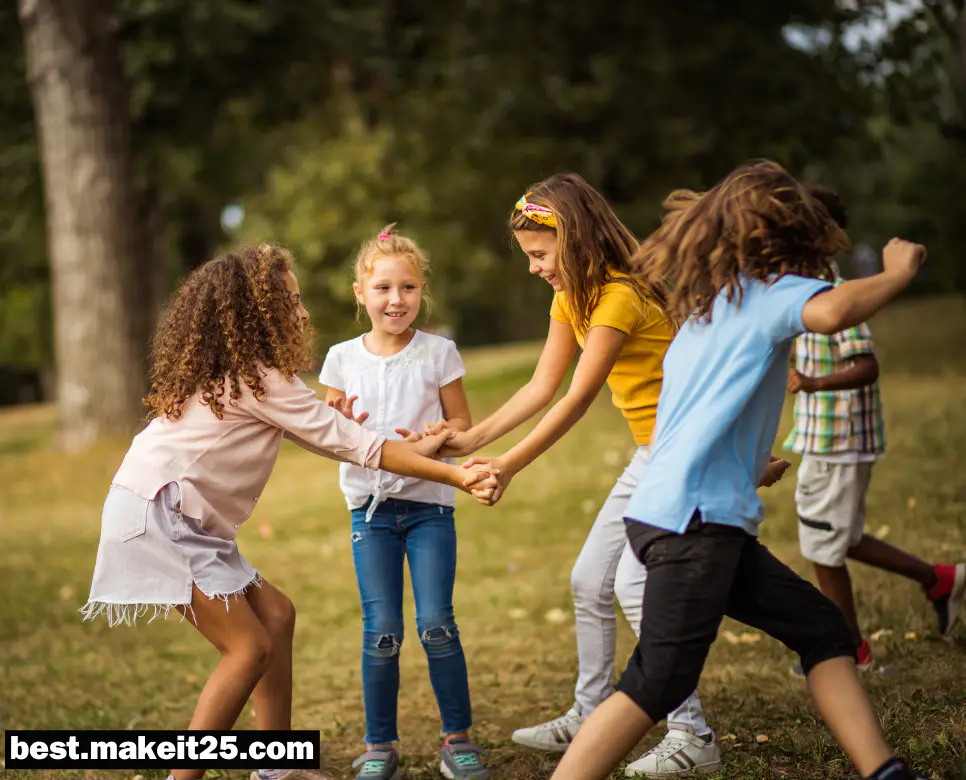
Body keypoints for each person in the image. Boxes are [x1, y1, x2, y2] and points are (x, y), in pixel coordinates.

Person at [546, 161, 931, 780]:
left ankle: (883, 770)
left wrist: (746, 469)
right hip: (694, 523)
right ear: (789, 239)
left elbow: (692, 418)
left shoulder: (707, 308)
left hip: (679, 513)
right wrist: (896, 273)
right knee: (659, 677)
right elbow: (834, 313)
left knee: (820, 629)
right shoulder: (767, 295)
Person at [81, 245, 494, 780]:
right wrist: (458, 475)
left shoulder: (247, 374)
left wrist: (329, 422)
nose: (301, 313)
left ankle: (276, 769)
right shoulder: (262, 379)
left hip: (178, 513)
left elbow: (333, 438)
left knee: (276, 616)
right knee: (248, 649)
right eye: (289, 301)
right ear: (255, 311)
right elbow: (364, 448)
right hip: (160, 515)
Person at [443, 174, 721, 776]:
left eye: (540, 255)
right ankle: (590, 715)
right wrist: (468, 439)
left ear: (574, 240)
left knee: (631, 584)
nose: (534, 268)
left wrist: (508, 465)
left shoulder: (618, 295)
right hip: (653, 454)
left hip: (683, 455)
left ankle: (692, 733)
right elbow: (541, 385)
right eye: (528, 257)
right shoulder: (574, 294)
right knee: (588, 580)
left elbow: (575, 397)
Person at [319, 226, 488, 780]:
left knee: (437, 622)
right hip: (370, 515)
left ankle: (457, 738)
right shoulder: (341, 358)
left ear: (422, 292)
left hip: (430, 510)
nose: (397, 299)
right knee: (383, 630)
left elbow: (461, 423)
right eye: (384, 288)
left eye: (409, 288)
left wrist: (439, 438)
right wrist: (345, 427)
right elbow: (329, 433)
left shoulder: (439, 352)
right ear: (360, 292)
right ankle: (379, 745)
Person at [785, 186, 964, 676]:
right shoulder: (806, 294)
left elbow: (867, 366)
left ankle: (850, 651)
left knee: (823, 546)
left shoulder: (838, 298)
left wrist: (813, 381)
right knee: (842, 538)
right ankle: (940, 580)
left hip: (838, 441)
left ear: (817, 237)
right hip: (828, 439)